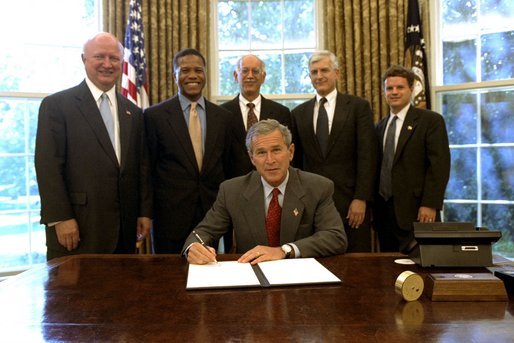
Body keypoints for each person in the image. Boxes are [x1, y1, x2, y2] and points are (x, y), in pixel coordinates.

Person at [35, 32, 152, 260]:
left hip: (125, 229)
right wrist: (60, 218)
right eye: (99, 57)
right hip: (77, 227)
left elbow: (142, 166)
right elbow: (48, 166)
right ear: (84, 59)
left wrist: (143, 212)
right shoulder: (57, 106)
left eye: (114, 58)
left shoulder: (133, 112)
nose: (107, 64)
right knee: (73, 294)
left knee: (120, 294)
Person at [183, 119, 348, 265]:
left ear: (290, 152)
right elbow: (203, 232)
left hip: (301, 278)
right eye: (261, 152)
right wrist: (193, 247)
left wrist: (284, 250)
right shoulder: (231, 190)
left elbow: (335, 237)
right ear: (251, 158)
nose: (270, 160)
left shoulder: (318, 187)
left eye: (276, 150)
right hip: (252, 276)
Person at [144, 48, 235, 253]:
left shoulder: (223, 117)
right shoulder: (154, 116)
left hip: (212, 213)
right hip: (169, 215)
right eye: (185, 70)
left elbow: (228, 167)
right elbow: (146, 168)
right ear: (174, 75)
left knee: (210, 272)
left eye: (198, 70)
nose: (192, 75)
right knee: (169, 275)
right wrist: (145, 214)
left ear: (205, 74)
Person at [291, 50, 378, 252]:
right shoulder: (298, 113)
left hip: (350, 202)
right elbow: (296, 161)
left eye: (324, 70)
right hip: (310, 203)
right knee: (315, 258)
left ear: (337, 73)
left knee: (356, 263)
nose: (319, 76)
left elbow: (368, 156)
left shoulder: (358, 107)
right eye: (314, 72)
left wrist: (361, 198)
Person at [373, 65, 451, 254]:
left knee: (422, 270)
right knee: (389, 270)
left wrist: (430, 204)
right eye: (389, 88)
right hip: (385, 214)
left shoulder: (430, 121)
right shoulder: (379, 126)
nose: (394, 92)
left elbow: (439, 166)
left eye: (400, 87)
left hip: (418, 212)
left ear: (411, 89)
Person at [221, 54, 291, 251]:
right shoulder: (221, 114)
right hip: (235, 195)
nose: (250, 76)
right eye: (245, 71)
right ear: (236, 75)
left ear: (264, 77)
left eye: (255, 71)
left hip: (273, 192)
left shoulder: (282, 112)